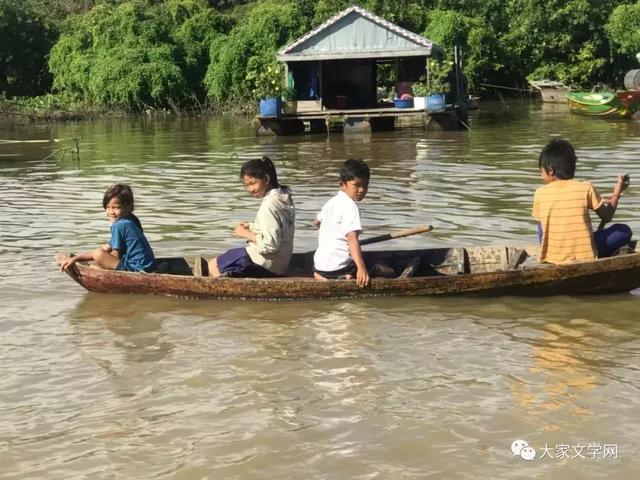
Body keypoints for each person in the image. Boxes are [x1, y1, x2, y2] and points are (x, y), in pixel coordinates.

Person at [532, 139, 632, 264]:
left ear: (550, 170)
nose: (540, 175)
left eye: (541, 171)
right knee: (624, 230)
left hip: (552, 257)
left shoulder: (539, 193)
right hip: (585, 256)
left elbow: (542, 231)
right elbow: (607, 216)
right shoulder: (586, 187)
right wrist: (617, 193)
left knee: (541, 222)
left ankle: (547, 254)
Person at [208, 156, 295, 278]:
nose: (250, 189)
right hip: (281, 263)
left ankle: (221, 294)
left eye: (253, 183)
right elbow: (279, 228)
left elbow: (269, 246)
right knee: (223, 259)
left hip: (266, 264)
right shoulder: (283, 196)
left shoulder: (269, 205)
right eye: (247, 185)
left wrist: (244, 233)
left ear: (266, 179)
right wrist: (251, 226)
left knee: (213, 265)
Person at [313, 159, 394, 286]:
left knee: (366, 258)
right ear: (342, 185)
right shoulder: (350, 207)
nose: (362, 190)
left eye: (365, 185)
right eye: (356, 185)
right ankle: (347, 275)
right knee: (388, 271)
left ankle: (325, 276)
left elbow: (317, 222)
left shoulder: (331, 202)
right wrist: (362, 269)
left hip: (320, 266)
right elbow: (352, 239)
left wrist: (332, 235)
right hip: (338, 267)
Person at [59, 184, 156, 272]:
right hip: (149, 265)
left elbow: (116, 254)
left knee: (98, 254)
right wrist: (77, 258)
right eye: (108, 207)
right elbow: (107, 247)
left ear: (128, 207)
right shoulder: (131, 219)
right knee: (99, 253)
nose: (111, 212)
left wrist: (100, 262)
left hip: (137, 269)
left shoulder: (119, 225)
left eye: (116, 207)